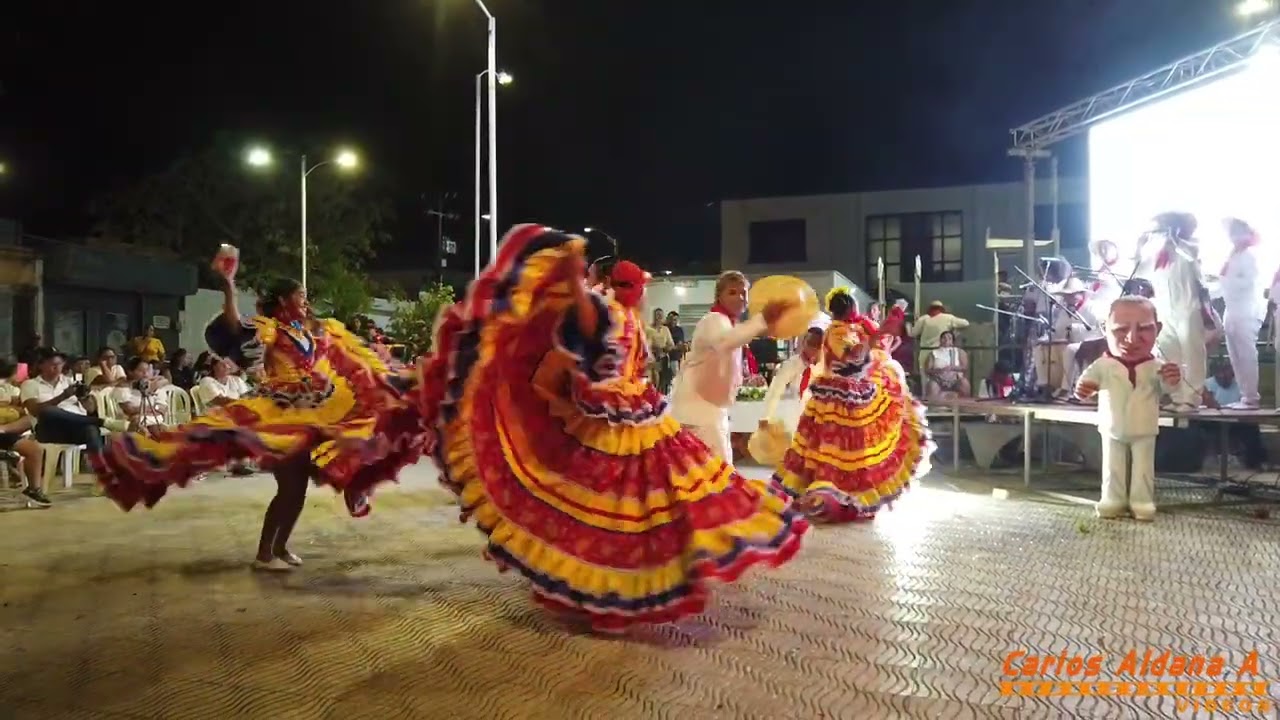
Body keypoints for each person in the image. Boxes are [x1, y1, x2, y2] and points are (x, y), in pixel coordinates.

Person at [417, 225, 808, 632]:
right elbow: (568, 362)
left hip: (634, 412)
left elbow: (580, 363)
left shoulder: (625, 317)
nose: (637, 292)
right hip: (618, 415)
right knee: (639, 495)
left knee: (642, 494)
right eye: (635, 286)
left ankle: (635, 571)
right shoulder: (614, 313)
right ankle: (630, 574)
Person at [90, 251, 427, 572]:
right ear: (283, 300)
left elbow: (341, 356)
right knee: (292, 486)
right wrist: (228, 285)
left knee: (357, 434)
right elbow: (236, 327)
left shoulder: (306, 331)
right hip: (280, 413)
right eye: (300, 295)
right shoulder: (271, 329)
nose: (306, 300)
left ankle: (304, 526)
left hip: (313, 406)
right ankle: (267, 551)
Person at [770, 288, 934, 522]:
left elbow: (877, 344)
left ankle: (847, 498)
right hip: (841, 397)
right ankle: (831, 495)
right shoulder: (836, 333)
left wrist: (887, 325)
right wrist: (882, 329)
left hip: (849, 393)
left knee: (849, 449)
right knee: (841, 450)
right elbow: (853, 356)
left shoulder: (853, 328)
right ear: (848, 308)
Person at [1074, 296, 1182, 521]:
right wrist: (1084, 389)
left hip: (1145, 427)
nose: (1132, 339)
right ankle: (1112, 499)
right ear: (1105, 329)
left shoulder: (1156, 367)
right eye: (1121, 329)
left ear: (1158, 330)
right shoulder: (1103, 365)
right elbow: (1085, 384)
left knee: (1144, 469)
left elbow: (1169, 389)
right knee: (1112, 467)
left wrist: (1171, 380)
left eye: (1144, 329)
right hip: (1111, 426)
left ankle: (1142, 500)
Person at [670, 270, 794, 460]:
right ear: (719, 296)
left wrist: (744, 378)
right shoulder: (714, 320)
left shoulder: (726, 323)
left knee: (705, 474)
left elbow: (724, 358)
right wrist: (763, 319)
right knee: (718, 472)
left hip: (705, 409)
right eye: (732, 292)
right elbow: (725, 341)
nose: (740, 298)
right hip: (699, 411)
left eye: (744, 293)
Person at [1136, 212, 1210, 412]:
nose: (1159, 232)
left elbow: (1190, 257)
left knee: (1192, 352)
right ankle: (1177, 396)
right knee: (1170, 354)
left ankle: (1192, 398)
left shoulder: (1191, 245)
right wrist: (1140, 245)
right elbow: (1139, 271)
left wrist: (1173, 238)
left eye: (1163, 227)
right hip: (1165, 310)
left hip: (1188, 307)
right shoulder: (1158, 252)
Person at [21, 347, 128, 458]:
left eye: (60, 364)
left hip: (75, 427)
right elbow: (35, 411)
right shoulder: (30, 384)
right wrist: (63, 396)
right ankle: (102, 422)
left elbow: (90, 409)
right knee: (47, 411)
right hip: (50, 430)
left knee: (91, 430)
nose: (57, 367)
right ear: (41, 365)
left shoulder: (70, 381)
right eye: (52, 364)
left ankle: (99, 466)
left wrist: (84, 396)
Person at [1212, 218, 1265, 409]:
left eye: (1236, 232)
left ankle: (1251, 397)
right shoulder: (1233, 256)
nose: (1232, 236)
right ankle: (1245, 396)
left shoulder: (1250, 256)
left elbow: (1248, 283)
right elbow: (1222, 284)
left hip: (1246, 310)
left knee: (1246, 354)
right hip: (1232, 309)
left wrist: (1225, 281)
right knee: (1235, 355)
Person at [1201, 362, 1267, 469]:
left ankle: (1256, 463)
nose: (1223, 376)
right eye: (1220, 373)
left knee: (1252, 428)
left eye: (1227, 373)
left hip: (1236, 421)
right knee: (1197, 426)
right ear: (1215, 373)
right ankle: (1203, 460)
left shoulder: (1241, 385)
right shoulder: (1208, 384)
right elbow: (1209, 404)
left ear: (1233, 373)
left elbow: (1250, 404)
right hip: (1212, 421)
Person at [0, 358, 46, 507]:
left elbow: (22, 409)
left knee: (34, 449)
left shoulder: (9, 387)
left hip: (5, 429)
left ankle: (33, 491)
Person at [759, 327, 824, 433]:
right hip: (792, 422)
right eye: (810, 344)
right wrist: (766, 417)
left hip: (815, 424)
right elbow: (775, 391)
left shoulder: (824, 370)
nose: (813, 349)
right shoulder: (790, 365)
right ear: (803, 343)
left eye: (816, 346)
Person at [910, 300, 970, 381]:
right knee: (944, 378)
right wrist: (954, 330)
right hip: (941, 352)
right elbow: (966, 323)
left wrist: (908, 324)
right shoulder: (948, 318)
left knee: (926, 380)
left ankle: (927, 393)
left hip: (925, 352)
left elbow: (912, 333)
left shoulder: (924, 319)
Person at [112, 357, 169, 433]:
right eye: (141, 371)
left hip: (151, 418)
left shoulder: (150, 385)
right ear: (130, 372)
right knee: (140, 425)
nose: (145, 374)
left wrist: (150, 409)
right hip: (130, 421)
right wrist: (153, 409)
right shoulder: (122, 388)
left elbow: (163, 409)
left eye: (147, 370)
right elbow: (130, 410)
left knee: (162, 429)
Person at [924, 330, 970, 400]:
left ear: (952, 341)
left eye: (949, 338)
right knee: (931, 386)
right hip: (938, 379)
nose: (946, 340)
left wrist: (952, 368)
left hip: (955, 379)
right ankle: (934, 408)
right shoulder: (933, 353)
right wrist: (938, 371)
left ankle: (963, 407)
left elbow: (965, 367)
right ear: (940, 340)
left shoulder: (959, 352)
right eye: (944, 338)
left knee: (964, 383)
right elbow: (927, 370)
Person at [645, 307, 674, 387]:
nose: (659, 317)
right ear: (654, 316)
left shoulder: (665, 329)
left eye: (661, 315)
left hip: (663, 357)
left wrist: (667, 348)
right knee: (652, 381)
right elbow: (644, 344)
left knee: (663, 381)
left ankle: (661, 397)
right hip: (652, 357)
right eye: (657, 315)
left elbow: (671, 344)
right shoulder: (648, 329)